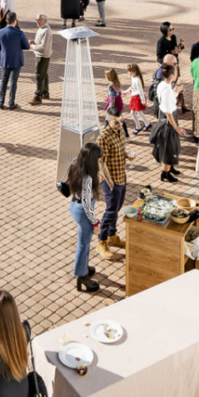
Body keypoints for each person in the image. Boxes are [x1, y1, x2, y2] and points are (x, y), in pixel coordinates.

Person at [97, 109, 134, 261]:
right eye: (116, 122)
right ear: (108, 121)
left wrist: (127, 156)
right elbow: (101, 162)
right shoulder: (103, 138)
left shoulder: (120, 132)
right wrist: (109, 183)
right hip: (110, 180)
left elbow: (118, 152)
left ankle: (112, 235)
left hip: (121, 177)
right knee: (111, 210)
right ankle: (102, 240)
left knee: (117, 208)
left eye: (121, 121)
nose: (120, 124)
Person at [66, 143, 101, 292]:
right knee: (83, 244)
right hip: (82, 211)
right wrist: (95, 223)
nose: (99, 161)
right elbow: (87, 206)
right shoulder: (88, 179)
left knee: (83, 242)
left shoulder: (76, 164)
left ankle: (84, 266)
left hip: (74, 205)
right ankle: (82, 275)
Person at [151, 63, 189, 181]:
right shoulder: (166, 90)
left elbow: (172, 94)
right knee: (169, 148)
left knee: (172, 146)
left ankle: (170, 168)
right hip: (168, 121)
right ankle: (165, 173)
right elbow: (168, 113)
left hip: (166, 118)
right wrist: (176, 127)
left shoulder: (163, 84)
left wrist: (178, 85)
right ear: (172, 75)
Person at [0, 12, 30, 110]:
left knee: (4, 81)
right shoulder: (19, 33)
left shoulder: (0, 32)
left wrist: (1, 56)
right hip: (16, 60)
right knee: (13, 82)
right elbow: (26, 46)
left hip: (5, 60)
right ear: (15, 21)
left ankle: (1, 101)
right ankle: (11, 103)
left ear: (6, 20)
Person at [29, 13, 52, 106]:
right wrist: (34, 42)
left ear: (45, 20)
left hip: (42, 56)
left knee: (39, 75)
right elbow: (40, 43)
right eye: (36, 20)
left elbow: (43, 47)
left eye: (39, 20)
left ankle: (37, 96)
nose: (37, 22)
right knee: (44, 74)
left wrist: (32, 46)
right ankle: (45, 93)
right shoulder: (42, 28)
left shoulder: (46, 30)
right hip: (41, 54)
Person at [124, 64, 150, 134]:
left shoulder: (137, 80)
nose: (129, 73)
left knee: (135, 112)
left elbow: (140, 90)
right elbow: (132, 86)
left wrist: (143, 100)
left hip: (137, 97)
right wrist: (127, 91)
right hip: (134, 97)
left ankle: (139, 127)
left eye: (130, 71)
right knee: (137, 112)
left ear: (135, 71)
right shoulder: (133, 77)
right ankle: (146, 124)